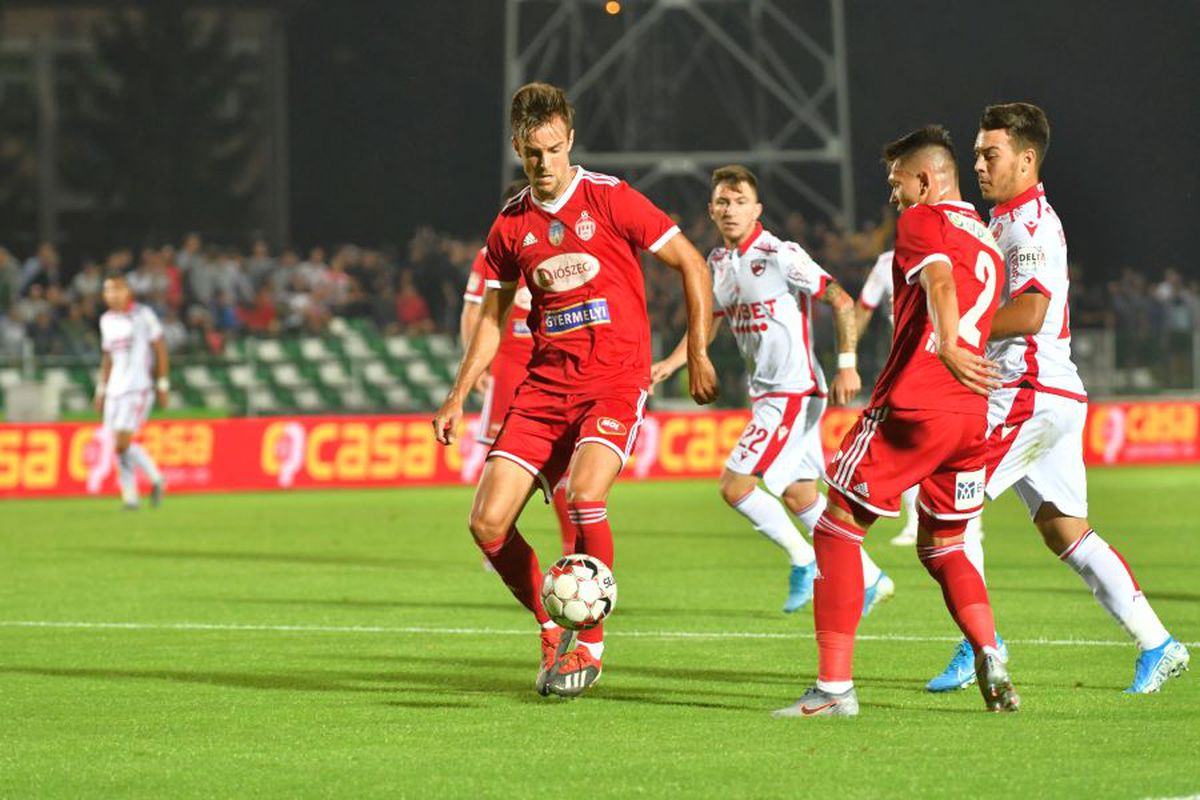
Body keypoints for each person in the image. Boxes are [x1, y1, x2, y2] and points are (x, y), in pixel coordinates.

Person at [432, 82, 719, 699]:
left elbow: (694, 264)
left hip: (613, 381)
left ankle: (589, 643)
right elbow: (492, 316)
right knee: (486, 523)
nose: (545, 163)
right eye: (533, 153)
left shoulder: (610, 198)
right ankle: (549, 626)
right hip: (544, 388)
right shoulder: (510, 225)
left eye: (555, 149)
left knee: (585, 496)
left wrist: (695, 352)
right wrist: (458, 393)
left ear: (570, 141)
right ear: (517, 148)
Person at [925, 102, 1190, 695]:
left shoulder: (1030, 226)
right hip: (1048, 393)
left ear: (1026, 159)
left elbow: (1031, 311)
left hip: (1028, 389)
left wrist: (959, 329)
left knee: (947, 497)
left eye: (990, 155)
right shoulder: (1002, 222)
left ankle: (981, 641)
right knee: (1065, 532)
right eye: (976, 154)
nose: (978, 164)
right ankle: (1158, 643)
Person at [775, 125, 1015, 717]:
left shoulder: (921, 220)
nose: (893, 196)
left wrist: (948, 343)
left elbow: (938, 280)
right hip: (970, 415)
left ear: (926, 180)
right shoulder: (986, 239)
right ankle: (990, 650)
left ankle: (833, 691)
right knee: (944, 544)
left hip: (917, 403)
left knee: (835, 527)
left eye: (897, 182)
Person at [651, 165, 893, 615]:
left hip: (793, 391)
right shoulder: (718, 264)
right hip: (769, 394)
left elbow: (841, 299)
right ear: (711, 210)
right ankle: (870, 578)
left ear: (757, 209)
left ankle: (803, 559)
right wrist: (671, 363)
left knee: (734, 486)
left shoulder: (781, 254)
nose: (731, 210)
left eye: (740, 202)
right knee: (800, 495)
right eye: (723, 202)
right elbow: (707, 326)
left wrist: (847, 365)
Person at [460, 181, 578, 559]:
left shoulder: (561, 247)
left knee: (566, 463)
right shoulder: (490, 254)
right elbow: (473, 312)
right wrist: (478, 365)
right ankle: (497, 545)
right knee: (501, 457)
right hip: (509, 364)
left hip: (553, 366)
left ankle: (571, 546)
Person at [859, 251, 990, 553]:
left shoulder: (956, 255)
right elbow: (863, 307)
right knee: (913, 441)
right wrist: (848, 356)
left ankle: (967, 521)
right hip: (910, 359)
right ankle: (922, 521)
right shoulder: (886, 263)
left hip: (945, 360)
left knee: (919, 440)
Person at [96, 275, 169, 509]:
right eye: (108, 290)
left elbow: (160, 348)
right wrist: (101, 389)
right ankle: (131, 497)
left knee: (122, 443)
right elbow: (107, 356)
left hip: (138, 388)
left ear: (128, 291)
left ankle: (155, 478)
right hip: (114, 389)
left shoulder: (143, 315)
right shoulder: (106, 320)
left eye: (117, 289)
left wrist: (162, 383)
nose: (112, 295)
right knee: (118, 445)